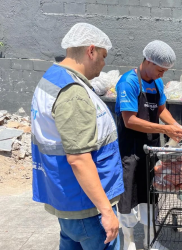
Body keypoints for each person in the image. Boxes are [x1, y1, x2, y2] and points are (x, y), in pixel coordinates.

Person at [31, 23, 124, 250]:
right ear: (90, 51)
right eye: (103, 56)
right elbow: (79, 159)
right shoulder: (73, 93)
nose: (104, 64)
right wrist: (106, 212)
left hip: (69, 202)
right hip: (88, 208)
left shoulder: (53, 77)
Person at [115, 40, 182, 250]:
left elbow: (161, 109)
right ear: (147, 61)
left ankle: (150, 240)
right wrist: (165, 130)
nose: (162, 74)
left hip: (151, 149)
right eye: (160, 69)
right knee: (128, 197)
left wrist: (175, 126)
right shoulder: (129, 82)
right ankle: (128, 241)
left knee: (150, 195)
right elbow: (130, 120)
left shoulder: (157, 83)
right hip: (130, 150)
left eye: (165, 71)